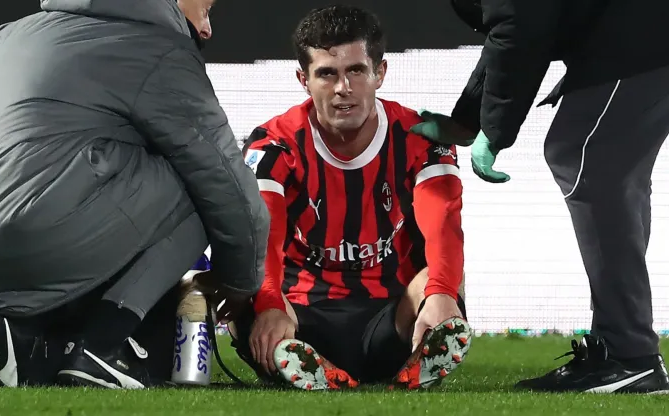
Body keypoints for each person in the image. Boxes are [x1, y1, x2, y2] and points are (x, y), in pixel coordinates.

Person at [0, 0, 269, 389]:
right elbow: (230, 187)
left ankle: (4, 324)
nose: (207, 29)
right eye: (205, 8)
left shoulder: (5, 37)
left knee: (65, 174)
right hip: (37, 233)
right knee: (200, 179)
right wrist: (241, 285)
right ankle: (103, 348)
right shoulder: (156, 48)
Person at [419, 0, 669, 393]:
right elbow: (513, 27)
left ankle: (629, 355)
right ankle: (618, 350)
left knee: (581, 156)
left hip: (644, 36)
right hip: (640, 36)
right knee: (610, 172)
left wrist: (495, 130)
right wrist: (469, 120)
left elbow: (521, 26)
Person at [227, 5, 472, 391]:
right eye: (327, 73)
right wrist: (270, 303)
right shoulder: (273, 145)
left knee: (444, 279)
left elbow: (443, 219)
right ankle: (297, 360)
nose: (343, 88)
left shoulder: (420, 136)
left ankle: (416, 355)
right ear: (303, 80)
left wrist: (442, 293)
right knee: (244, 286)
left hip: (391, 316)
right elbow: (262, 238)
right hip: (300, 318)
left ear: (380, 73)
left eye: (356, 70)